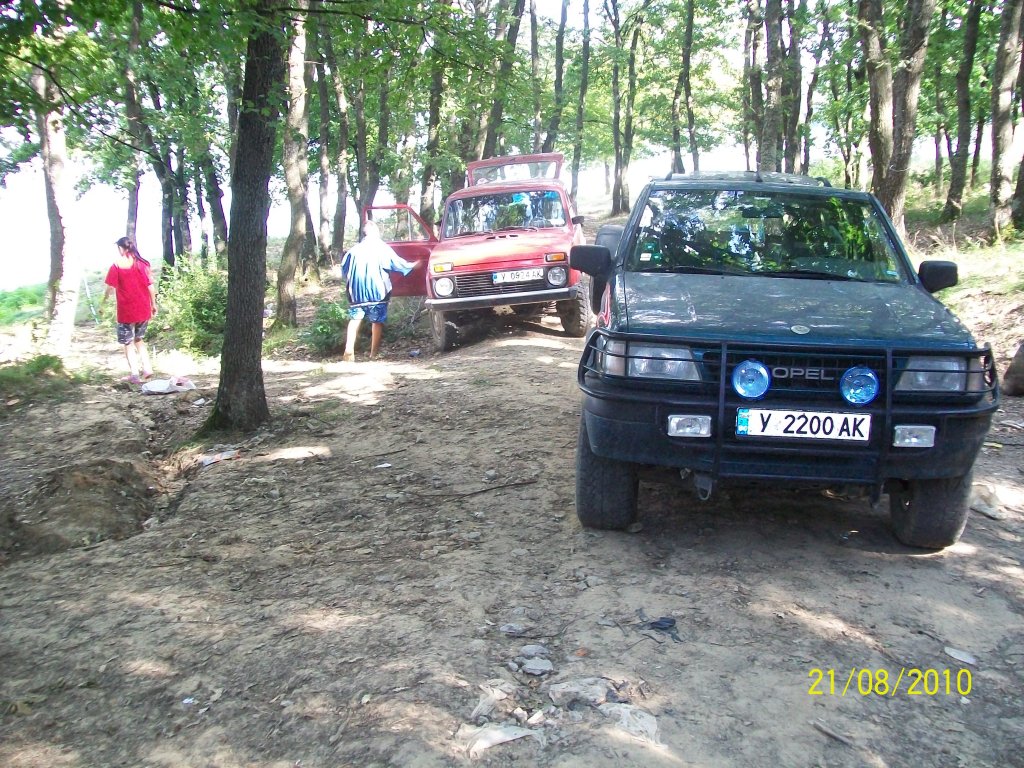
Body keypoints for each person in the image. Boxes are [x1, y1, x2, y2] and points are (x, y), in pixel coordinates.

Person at [340, 219, 413, 362]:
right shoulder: (382, 248)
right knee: (377, 321)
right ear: (375, 232)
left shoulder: (353, 251)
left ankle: (349, 349)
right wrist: (412, 265)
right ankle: (373, 354)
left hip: (357, 292)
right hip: (377, 291)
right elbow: (398, 263)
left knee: (355, 319)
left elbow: (344, 269)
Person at [102, 236, 157, 384]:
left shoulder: (117, 265)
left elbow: (110, 287)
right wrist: (153, 304)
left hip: (126, 310)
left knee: (128, 342)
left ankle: (134, 374)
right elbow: (150, 286)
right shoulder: (143, 264)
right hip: (143, 308)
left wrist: (103, 302)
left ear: (122, 248)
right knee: (139, 339)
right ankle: (147, 368)